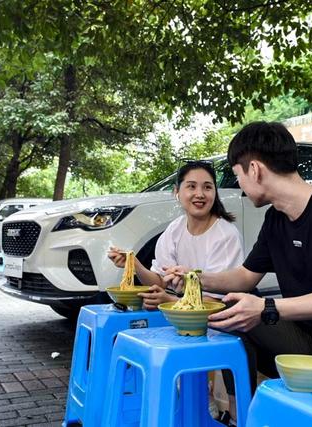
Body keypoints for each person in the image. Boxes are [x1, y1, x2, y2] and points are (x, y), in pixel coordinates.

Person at [163, 121, 312, 396]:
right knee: (232, 314)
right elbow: (245, 276)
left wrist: (268, 307)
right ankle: (244, 411)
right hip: (301, 337)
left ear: (255, 169)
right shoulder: (275, 218)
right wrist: (195, 278)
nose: (240, 185)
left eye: (238, 175)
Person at [107, 160, 244, 425]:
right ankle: (184, 401)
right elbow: (158, 277)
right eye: (191, 186)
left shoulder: (225, 234)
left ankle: (218, 408)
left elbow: (216, 302)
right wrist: (134, 263)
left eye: (207, 187)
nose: (199, 194)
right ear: (177, 192)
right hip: (184, 311)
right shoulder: (174, 230)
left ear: (215, 193)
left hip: (223, 313)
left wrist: (170, 299)